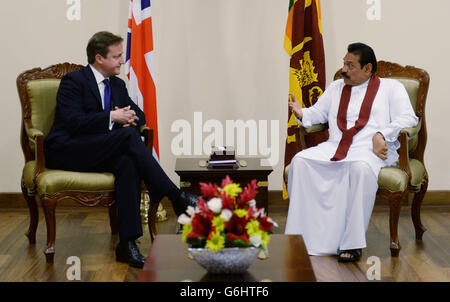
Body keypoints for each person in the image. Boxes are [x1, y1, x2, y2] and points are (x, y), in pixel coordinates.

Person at [44, 31, 198, 268]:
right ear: (99, 58)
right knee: (126, 137)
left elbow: (141, 116)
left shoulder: (117, 84)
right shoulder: (73, 82)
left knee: (128, 161)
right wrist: (112, 117)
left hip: (104, 151)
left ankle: (127, 244)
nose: (121, 61)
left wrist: (128, 117)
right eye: (116, 57)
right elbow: (73, 122)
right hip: (68, 150)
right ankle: (176, 197)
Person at [285, 42, 418, 262]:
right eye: (344, 64)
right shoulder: (337, 87)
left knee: (360, 168)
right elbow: (318, 113)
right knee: (300, 161)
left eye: (350, 65)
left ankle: (352, 244)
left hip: (369, 151)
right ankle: (302, 238)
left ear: (367, 68)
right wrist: (302, 113)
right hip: (335, 146)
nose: (344, 70)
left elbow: (408, 119)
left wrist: (382, 134)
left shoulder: (391, 88)